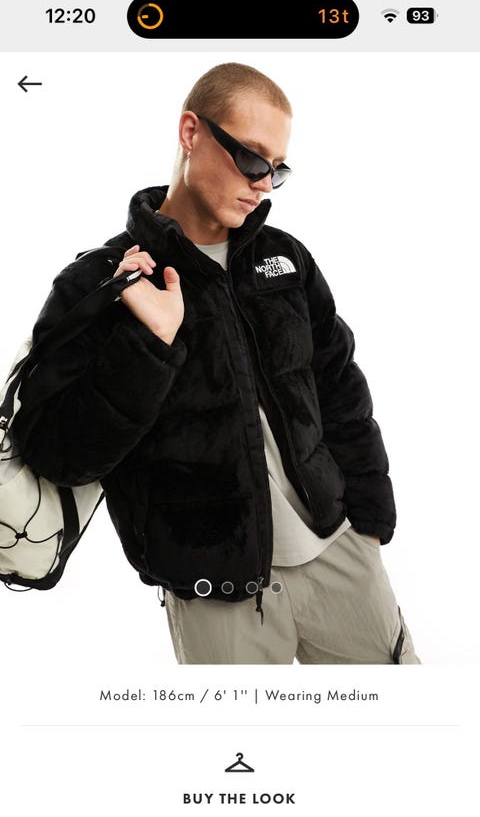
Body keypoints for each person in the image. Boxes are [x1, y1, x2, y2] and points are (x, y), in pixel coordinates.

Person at [13, 62, 420, 665]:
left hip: (339, 553)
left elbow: (340, 388)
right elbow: (57, 454)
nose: (264, 185)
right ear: (191, 133)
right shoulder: (100, 282)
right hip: (213, 590)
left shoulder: (286, 259)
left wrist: (370, 515)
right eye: (252, 159)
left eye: (277, 169)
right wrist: (151, 343)